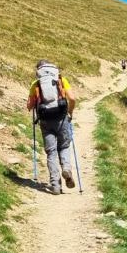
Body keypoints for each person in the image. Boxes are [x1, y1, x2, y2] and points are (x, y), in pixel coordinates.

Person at [26, 60, 77, 194]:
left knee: (51, 152)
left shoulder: (36, 84)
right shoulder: (61, 79)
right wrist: (70, 113)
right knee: (64, 146)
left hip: (45, 120)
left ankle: (55, 185)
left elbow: (29, 106)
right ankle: (66, 168)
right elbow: (72, 98)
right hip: (61, 118)